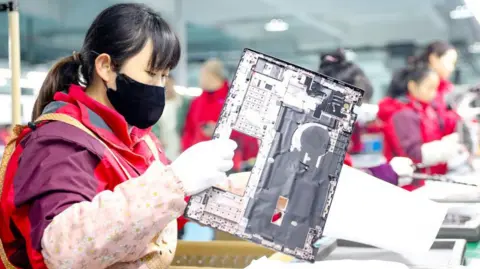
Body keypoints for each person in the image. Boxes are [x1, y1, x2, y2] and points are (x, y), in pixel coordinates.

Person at [0, 4, 238, 269]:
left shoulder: (138, 139)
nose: (159, 87)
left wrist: (246, 193)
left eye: (164, 76)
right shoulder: (58, 144)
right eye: (151, 73)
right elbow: (64, 249)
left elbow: (169, 206)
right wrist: (176, 182)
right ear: (105, 67)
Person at [319, 49, 414, 187]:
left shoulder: (341, 126)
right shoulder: (322, 134)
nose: (362, 108)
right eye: (358, 103)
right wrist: (385, 174)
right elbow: (340, 184)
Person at [381, 62, 465, 191]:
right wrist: (448, 147)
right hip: (410, 187)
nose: (434, 93)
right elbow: (413, 155)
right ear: (413, 86)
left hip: (428, 181)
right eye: (430, 88)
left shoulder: (426, 109)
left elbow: (444, 126)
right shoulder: (403, 114)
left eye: (436, 88)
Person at [181, 58, 259, 171]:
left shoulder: (235, 100)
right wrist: (187, 155)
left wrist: (219, 131)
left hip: (230, 162)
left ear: (213, 75)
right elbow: (188, 130)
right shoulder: (196, 102)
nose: (200, 78)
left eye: (202, 74)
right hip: (200, 163)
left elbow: (247, 131)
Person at [152, 76, 182, 160]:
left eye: (170, 84)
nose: (168, 87)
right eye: (165, 84)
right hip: (163, 142)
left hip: (178, 141)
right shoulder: (156, 104)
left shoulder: (182, 102)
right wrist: (158, 138)